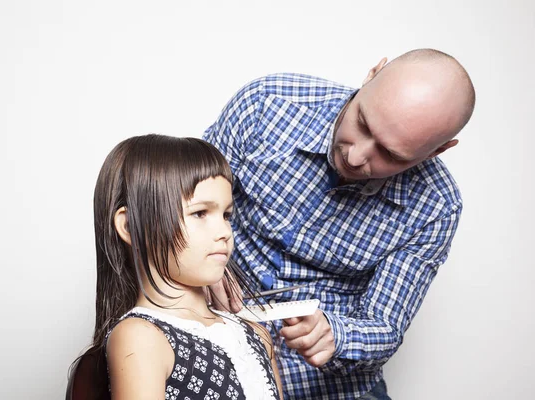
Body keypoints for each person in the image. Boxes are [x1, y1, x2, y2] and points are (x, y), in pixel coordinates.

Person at [203, 49, 475, 399]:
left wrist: (336, 335)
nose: (356, 155)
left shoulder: (436, 206)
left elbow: (385, 325)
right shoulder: (265, 105)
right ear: (373, 73)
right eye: (362, 124)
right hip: (221, 361)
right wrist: (210, 267)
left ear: (436, 152)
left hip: (332, 387)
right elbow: (182, 203)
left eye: (391, 155)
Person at [88, 134, 284, 399]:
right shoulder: (141, 338)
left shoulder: (257, 334)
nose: (224, 231)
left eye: (226, 215)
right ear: (130, 226)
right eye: (200, 213)